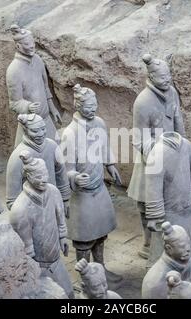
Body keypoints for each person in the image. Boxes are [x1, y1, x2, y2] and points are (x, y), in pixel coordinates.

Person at [61, 84, 122, 284]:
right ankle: (85, 278)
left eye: (95, 105)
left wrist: (110, 164)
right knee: (84, 238)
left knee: (100, 231)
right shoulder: (70, 134)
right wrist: (74, 177)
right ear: (77, 105)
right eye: (88, 106)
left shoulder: (99, 123)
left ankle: (101, 269)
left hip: (98, 189)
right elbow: (65, 167)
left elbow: (104, 147)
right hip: (82, 194)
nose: (93, 109)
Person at [127, 54, 185, 259]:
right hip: (150, 159)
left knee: (170, 199)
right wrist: (159, 152)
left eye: (169, 75)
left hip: (172, 154)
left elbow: (178, 120)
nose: (167, 80)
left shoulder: (172, 92)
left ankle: (171, 238)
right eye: (162, 77)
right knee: (146, 202)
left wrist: (182, 145)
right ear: (151, 76)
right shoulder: (142, 102)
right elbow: (138, 139)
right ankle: (148, 242)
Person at [9, 152, 73, 298]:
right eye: (38, 177)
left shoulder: (53, 191)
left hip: (56, 260)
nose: (44, 179)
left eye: (45, 174)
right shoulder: (20, 210)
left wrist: (63, 237)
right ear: (28, 177)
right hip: (39, 267)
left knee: (69, 293)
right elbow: (27, 250)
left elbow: (60, 216)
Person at [144, 131, 191, 264]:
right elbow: (153, 187)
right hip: (168, 216)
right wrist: (154, 216)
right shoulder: (157, 153)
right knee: (163, 258)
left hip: (187, 211)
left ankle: (189, 272)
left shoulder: (187, 145)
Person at [6, 24, 62, 146]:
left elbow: (45, 87)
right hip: (30, 126)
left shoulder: (38, 60)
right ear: (18, 46)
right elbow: (14, 102)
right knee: (27, 158)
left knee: (56, 152)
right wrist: (28, 107)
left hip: (46, 120)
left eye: (32, 43)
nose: (31, 46)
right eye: (27, 44)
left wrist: (52, 108)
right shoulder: (13, 70)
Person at [5, 112, 70, 211]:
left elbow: (60, 173)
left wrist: (65, 199)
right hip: (32, 211)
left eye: (43, 129)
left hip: (53, 204)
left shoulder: (52, 146)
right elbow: (12, 200)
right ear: (25, 130)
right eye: (35, 131)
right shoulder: (17, 157)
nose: (40, 134)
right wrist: (28, 214)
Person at [142, 222, 191, 299]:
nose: (188, 249)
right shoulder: (154, 282)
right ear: (169, 248)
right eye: (182, 246)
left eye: (188, 243)